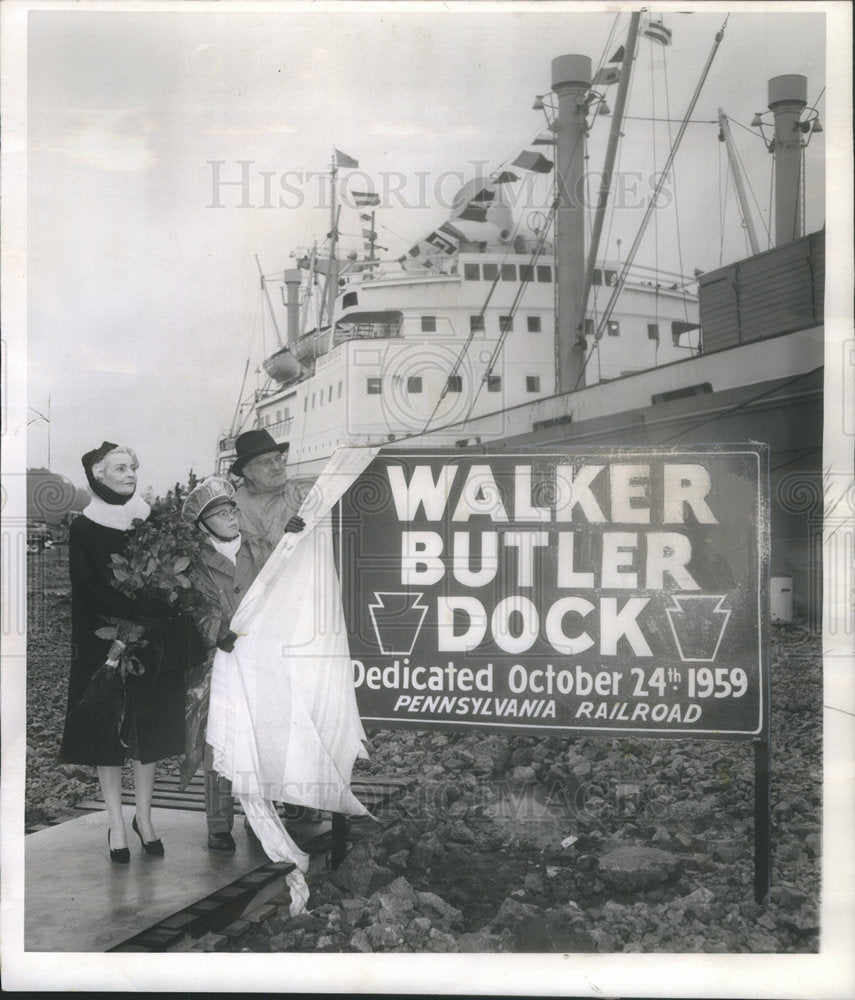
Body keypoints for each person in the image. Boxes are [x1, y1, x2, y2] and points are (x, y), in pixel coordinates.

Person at [59, 442, 189, 864]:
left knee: (146, 730)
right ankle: (116, 821)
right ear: (99, 475)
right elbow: (89, 586)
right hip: (104, 641)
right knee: (108, 729)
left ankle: (144, 818)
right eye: (120, 467)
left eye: (133, 466)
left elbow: (174, 571)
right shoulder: (84, 526)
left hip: (149, 639)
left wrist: (160, 603)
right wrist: (135, 609)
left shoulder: (151, 519)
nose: (130, 473)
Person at [182, 477, 262, 854]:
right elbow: (193, 606)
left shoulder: (259, 549)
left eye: (232, 509)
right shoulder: (192, 563)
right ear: (203, 525)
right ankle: (218, 826)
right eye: (220, 513)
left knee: (260, 740)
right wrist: (216, 631)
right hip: (220, 664)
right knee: (218, 744)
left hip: (262, 662)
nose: (231, 517)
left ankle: (259, 817)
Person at [230, 429, 305, 567]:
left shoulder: (298, 493)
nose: (277, 467)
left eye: (278, 458)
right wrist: (286, 537)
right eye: (266, 463)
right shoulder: (236, 509)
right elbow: (253, 565)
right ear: (248, 472)